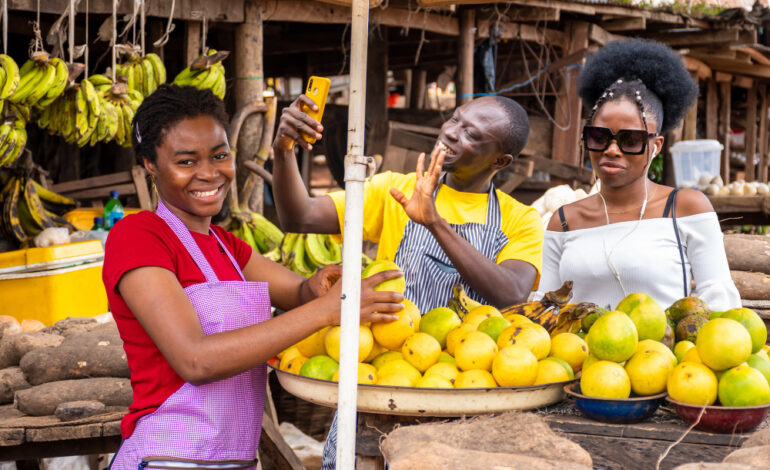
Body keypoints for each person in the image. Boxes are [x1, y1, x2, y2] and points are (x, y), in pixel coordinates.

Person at [102, 84, 404, 469]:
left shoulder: (227, 246)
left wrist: (318, 287)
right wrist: (330, 310)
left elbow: (297, 292)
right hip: (167, 457)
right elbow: (196, 361)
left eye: (220, 155)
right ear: (150, 165)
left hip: (236, 460)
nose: (209, 174)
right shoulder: (137, 236)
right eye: (187, 162)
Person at [271, 94, 544, 469]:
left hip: (465, 393)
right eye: (454, 119)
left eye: (471, 135)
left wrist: (434, 221)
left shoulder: (520, 220)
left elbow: (511, 291)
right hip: (380, 384)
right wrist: (283, 151)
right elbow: (299, 217)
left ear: (500, 160)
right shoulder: (391, 190)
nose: (449, 133)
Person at [535, 39, 740, 311]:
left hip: (665, 352)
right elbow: (545, 307)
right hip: (575, 352)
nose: (611, 150)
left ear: (656, 146)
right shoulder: (564, 220)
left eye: (630, 140)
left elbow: (720, 301)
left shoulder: (685, 208)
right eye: (599, 137)